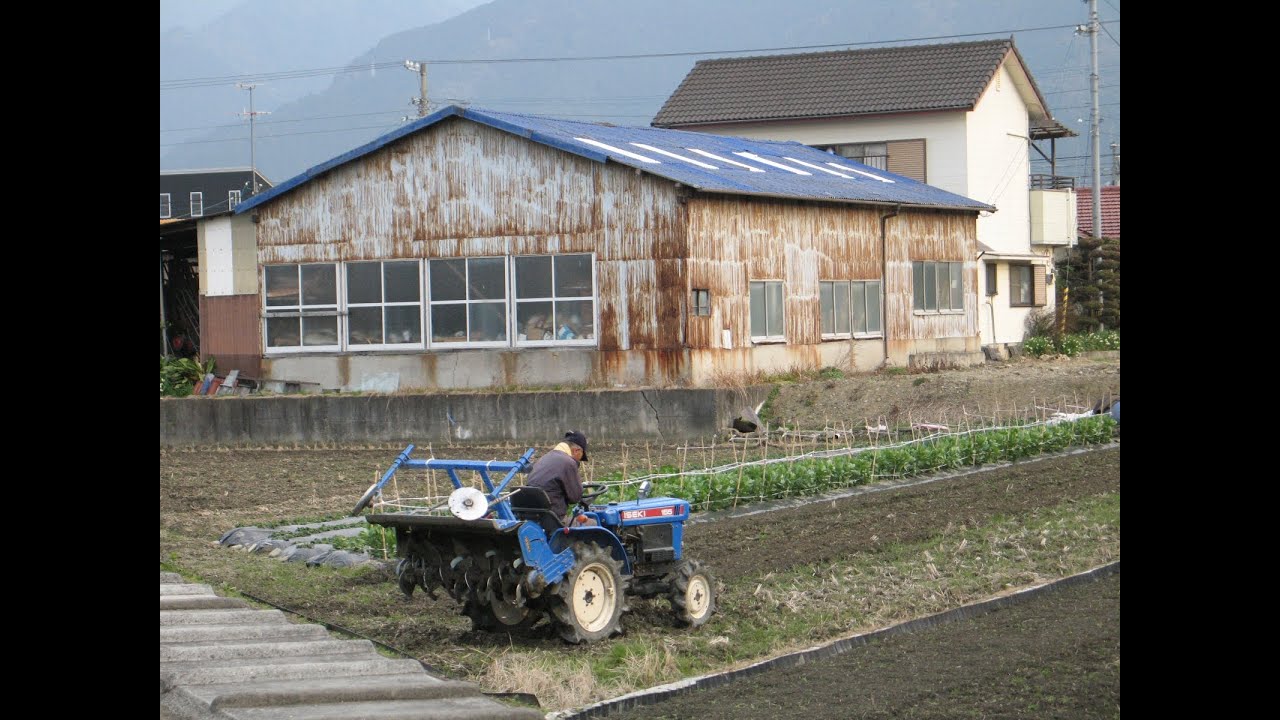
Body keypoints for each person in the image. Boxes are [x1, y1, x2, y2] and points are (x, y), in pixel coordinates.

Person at [524, 430, 590, 522]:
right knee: (594, 522)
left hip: (533, 517)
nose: (579, 460)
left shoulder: (543, 459)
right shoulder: (568, 462)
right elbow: (575, 497)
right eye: (581, 457)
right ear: (576, 450)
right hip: (553, 519)